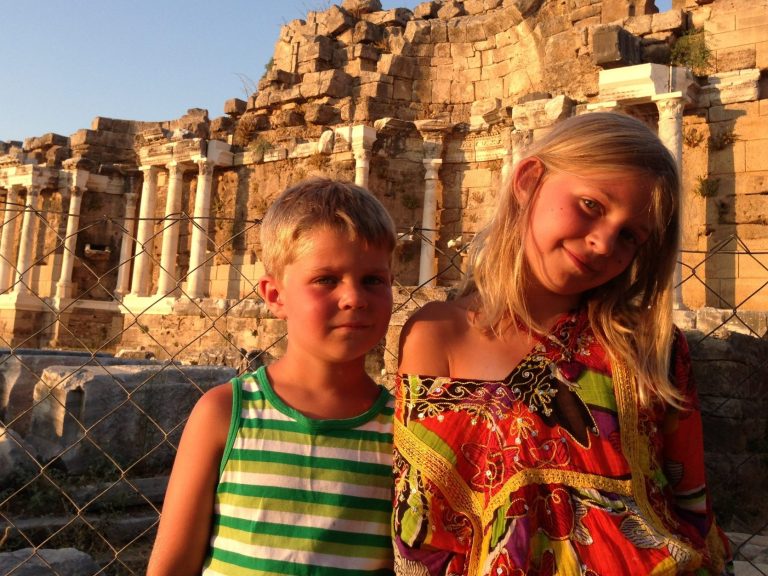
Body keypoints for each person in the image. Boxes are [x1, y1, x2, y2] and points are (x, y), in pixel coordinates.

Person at [392, 112, 732, 575]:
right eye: (591, 205)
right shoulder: (436, 336)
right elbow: (420, 525)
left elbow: (691, 506)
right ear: (529, 181)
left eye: (629, 236)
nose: (603, 243)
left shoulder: (648, 347)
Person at [147, 178, 397, 575]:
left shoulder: (403, 432)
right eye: (326, 280)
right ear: (275, 296)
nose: (354, 297)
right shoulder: (224, 413)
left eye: (373, 280)